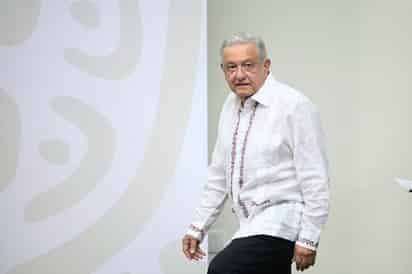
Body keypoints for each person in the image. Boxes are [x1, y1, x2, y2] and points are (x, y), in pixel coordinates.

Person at [182, 32, 330, 274]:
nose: (239, 74)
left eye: (247, 65)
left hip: (282, 221)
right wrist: (197, 227)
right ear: (223, 69)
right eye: (231, 67)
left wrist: (309, 238)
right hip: (249, 224)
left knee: (223, 270)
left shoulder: (294, 106)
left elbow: (316, 178)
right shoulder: (230, 106)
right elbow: (219, 175)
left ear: (266, 65)